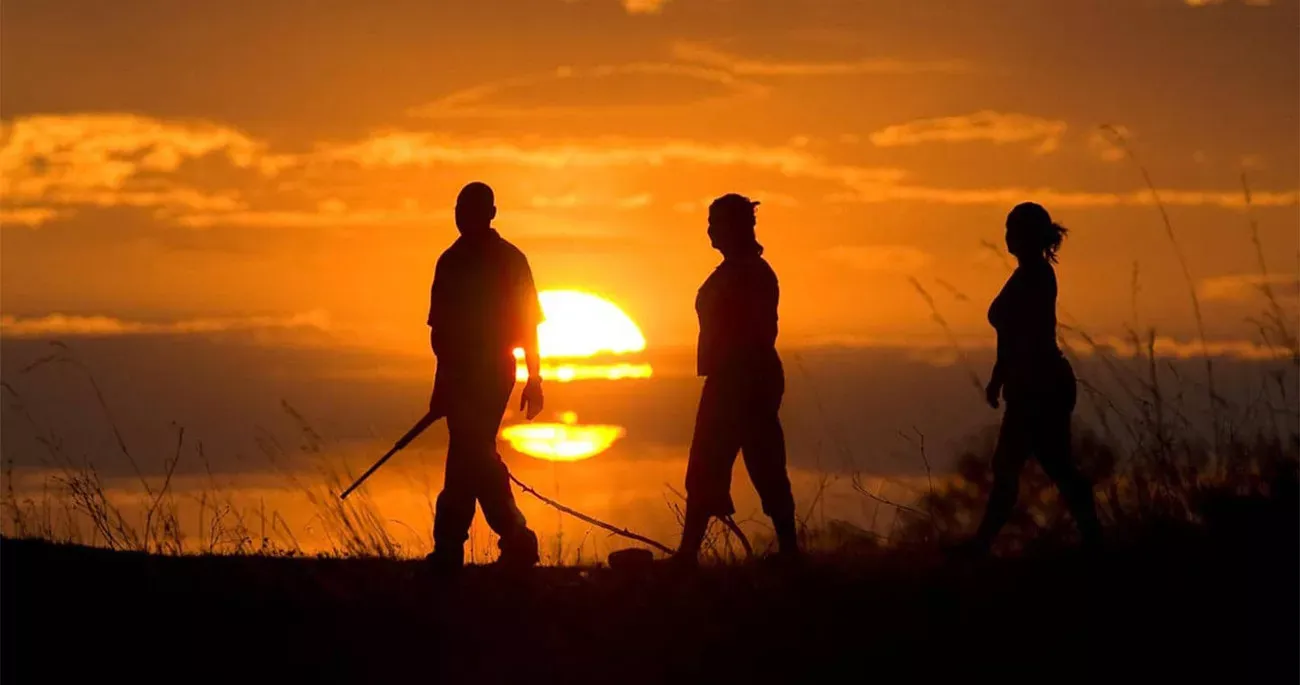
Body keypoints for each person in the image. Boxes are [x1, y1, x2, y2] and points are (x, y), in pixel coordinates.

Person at [960, 202, 1102, 555]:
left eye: (1013, 230)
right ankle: (1094, 540)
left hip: (1040, 386)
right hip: (1029, 385)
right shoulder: (1026, 274)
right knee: (1045, 465)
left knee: (1019, 465)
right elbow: (1009, 335)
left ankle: (981, 546)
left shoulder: (1036, 275)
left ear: (1027, 235)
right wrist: (998, 377)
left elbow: (1026, 334)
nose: (1007, 237)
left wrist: (1005, 376)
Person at [672, 193, 800, 565]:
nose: (710, 231)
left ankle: (690, 555)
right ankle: (689, 553)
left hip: (743, 377)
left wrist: (738, 382)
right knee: (718, 464)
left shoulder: (750, 274)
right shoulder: (736, 271)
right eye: (710, 222)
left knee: (756, 462)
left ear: (738, 227)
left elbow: (755, 332)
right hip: (732, 377)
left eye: (717, 223)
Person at [426, 181, 545, 571]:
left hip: (494, 370)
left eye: (472, 209)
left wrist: (535, 378)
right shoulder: (450, 261)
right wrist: (441, 387)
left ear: (491, 213)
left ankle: (461, 548)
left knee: (468, 451)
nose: (463, 216)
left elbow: (528, 326)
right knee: (471, 456)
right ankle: (511, 539)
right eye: (459, 208)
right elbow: (440, 334)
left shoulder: (510, 260)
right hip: (458, 373)